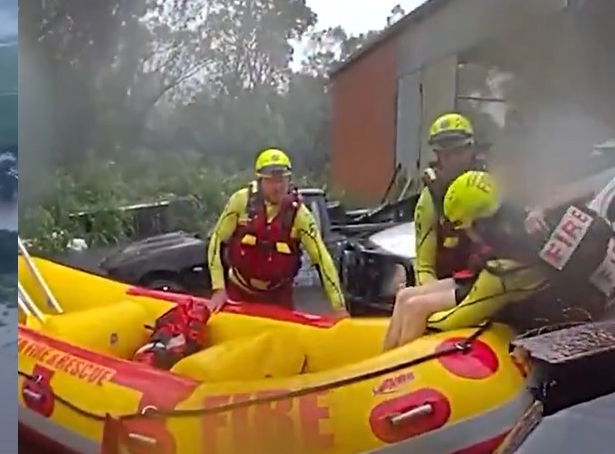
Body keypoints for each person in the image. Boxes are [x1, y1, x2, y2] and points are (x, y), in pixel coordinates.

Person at [380, 170, 615, 350]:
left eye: (463, 228)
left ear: (478, 224)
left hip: (536, 304)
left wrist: (422, 319)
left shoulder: (504, 267)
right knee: (406, 297)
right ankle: (384, 360)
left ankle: (390, 373)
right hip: (524, 283)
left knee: (414, 307)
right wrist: (541, 209)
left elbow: (451, 321)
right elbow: (586, 190)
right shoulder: (532, 216)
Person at [206, 148, 346, 314]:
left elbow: (322, 259)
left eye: (282, 181)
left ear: (289, 181)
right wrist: (218, 288)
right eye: (271, 181)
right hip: (238, 292)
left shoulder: (299, 214)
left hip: (278, 297)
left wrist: (338, 306)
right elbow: (217, 240)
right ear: (260, 181)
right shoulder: (241, 201)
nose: (277, 187)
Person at [413, 113, 487, 287]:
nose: (452, 159)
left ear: (472, 150)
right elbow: (424, 268)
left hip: (491, 279)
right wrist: (429, 292)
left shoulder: (490, 185)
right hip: (449, 285)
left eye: (459, 151)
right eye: (445, 153)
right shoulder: (432, 196)